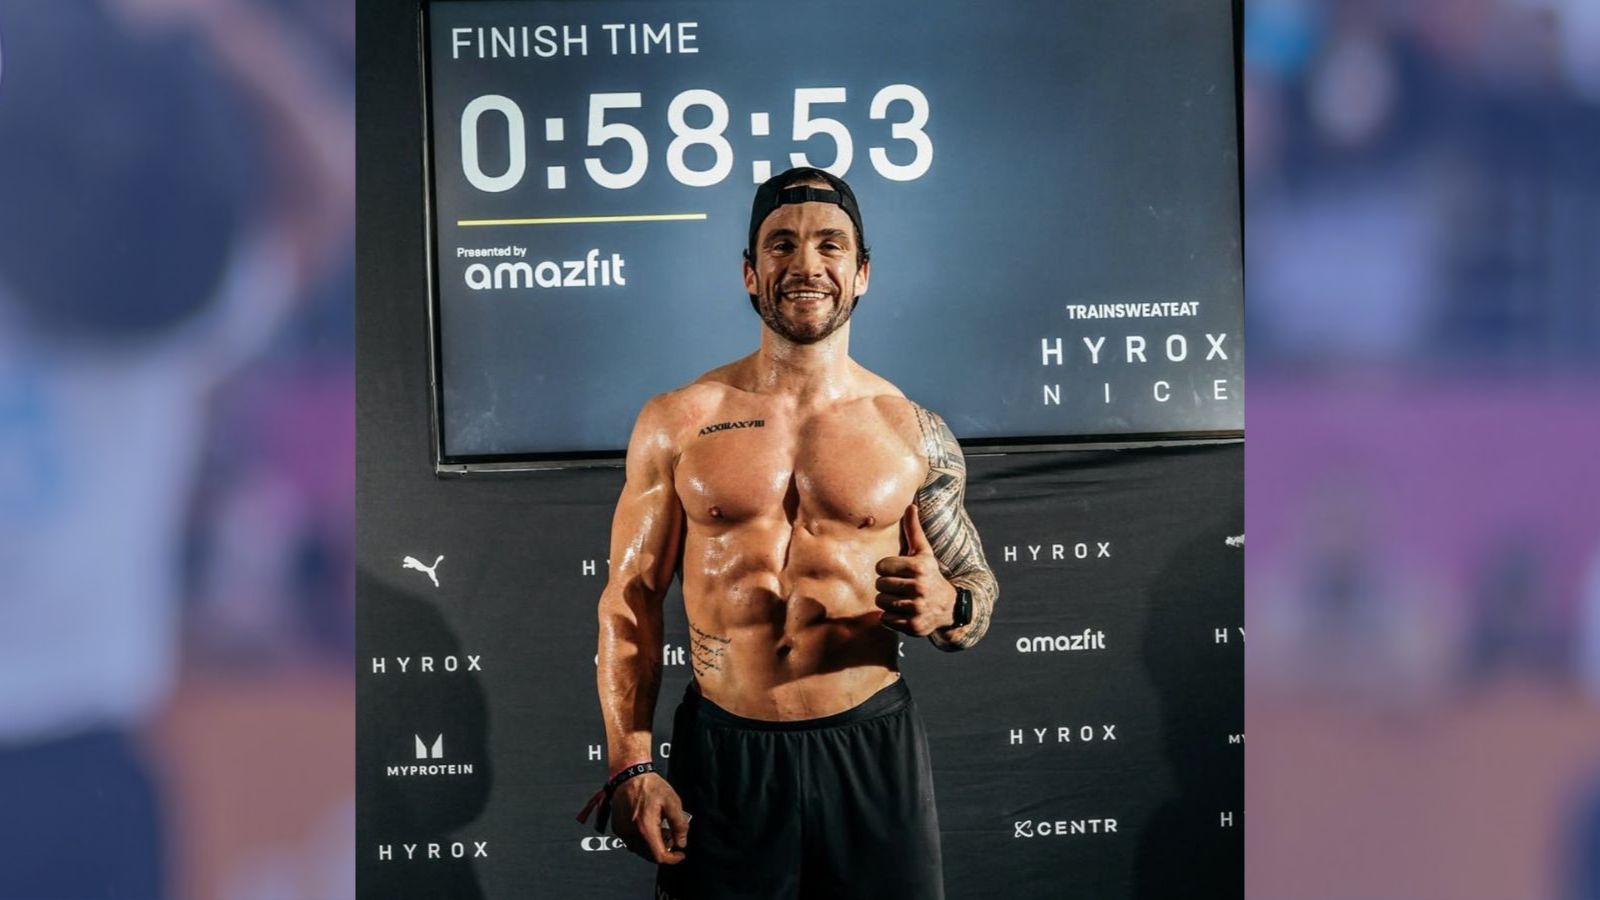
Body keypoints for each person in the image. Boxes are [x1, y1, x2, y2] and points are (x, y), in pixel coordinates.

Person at [590, 167, 998, 899]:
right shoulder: (679, 420)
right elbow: (631, 599)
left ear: (862, 272)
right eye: (781, 244)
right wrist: (631, 764)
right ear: (750, 272)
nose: (806, 264)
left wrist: (950, 606)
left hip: (869, 745)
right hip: (725, 752)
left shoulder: (913, 431)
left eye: (830, 245)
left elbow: (974, 593)